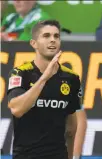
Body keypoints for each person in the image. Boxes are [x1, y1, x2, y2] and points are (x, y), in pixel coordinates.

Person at [7, 20, 87, 159]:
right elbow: (17, 109)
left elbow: (71, 127)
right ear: (34, 43)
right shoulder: (21, 73)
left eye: (56, 36)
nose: (52, 40)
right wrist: (44, 78)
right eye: (46, 36)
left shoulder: (71, 78)